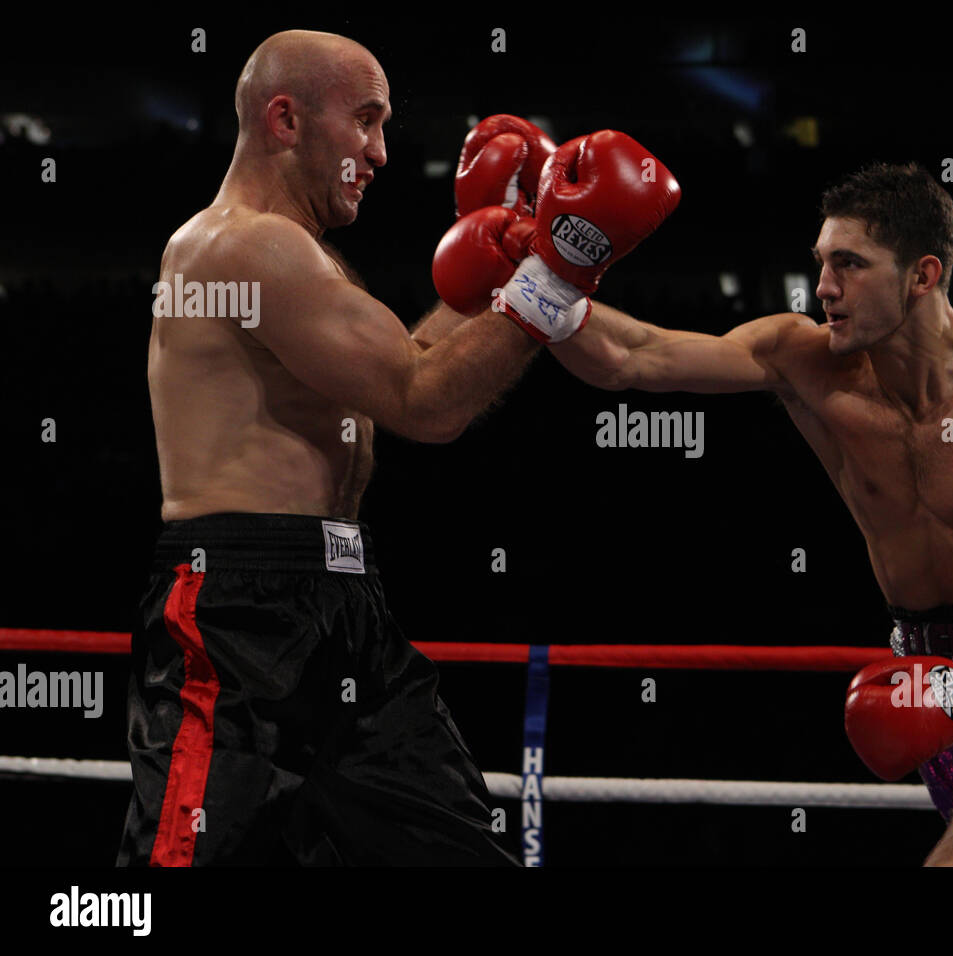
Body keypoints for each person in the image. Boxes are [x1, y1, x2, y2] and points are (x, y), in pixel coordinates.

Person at [119, 27, 677, 865]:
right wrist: (561, 268)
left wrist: (510, 243)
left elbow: (409, 368)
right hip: (236, 612)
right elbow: (427, 405)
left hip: (344, 600)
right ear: (286, 118)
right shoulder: (243, 246)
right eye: (367, 121)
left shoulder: (301, 255)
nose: (382, 151)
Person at [544, 161, 953, 866]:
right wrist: (535, 274)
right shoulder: (803, 360)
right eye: (822, 262)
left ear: (922, 276)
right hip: (926, 673)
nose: (823, 287)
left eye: (850, 264)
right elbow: (628, 358)